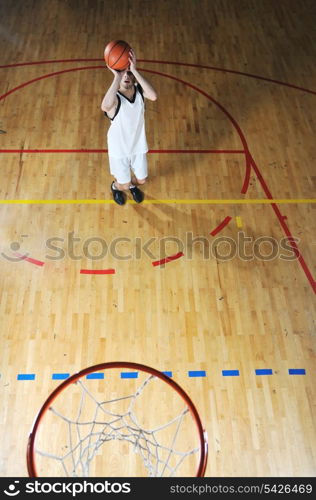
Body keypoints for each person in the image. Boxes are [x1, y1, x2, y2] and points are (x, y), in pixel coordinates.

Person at [101, 49, 157, 205]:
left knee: (142, 180)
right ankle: (116, 187)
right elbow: (105, 106)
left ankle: (131, 185)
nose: (126, 76)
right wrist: (116, 76)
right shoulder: (115, 100)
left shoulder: (139, 91)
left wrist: (134, 70)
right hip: (119, 150)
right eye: (123, 74)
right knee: (123, 184)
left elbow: (153, 96)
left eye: (129, 74)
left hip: (137, 146)